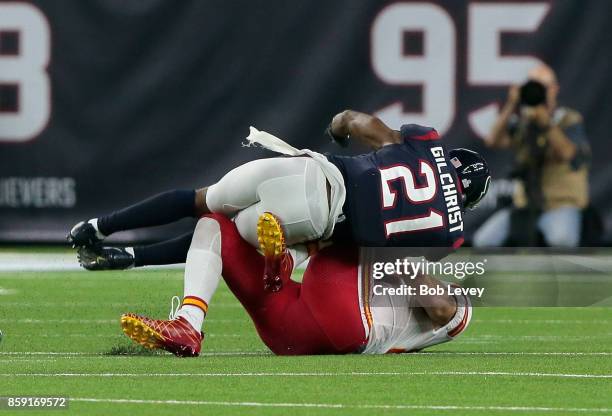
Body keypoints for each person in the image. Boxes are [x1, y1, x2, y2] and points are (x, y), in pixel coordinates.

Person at [69, 110, 491, 272]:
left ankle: (96, 226)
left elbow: (357, 120)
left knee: (203, 198)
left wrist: (337, 128)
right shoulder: (447, 237)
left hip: (310, 172)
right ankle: (132, 258)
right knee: (224, 234)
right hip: (321, 221)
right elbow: (379, 272)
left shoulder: (425, 141)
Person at [119, 212, 472, 357]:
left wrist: (396, 253)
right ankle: (189, 323)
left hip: (351, 325)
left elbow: (443, 310)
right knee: (214, 226)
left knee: (360, 231)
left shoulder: (454, 297)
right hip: (291, 331)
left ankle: (284, 259)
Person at [474, 64, 590, 248]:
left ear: (554, 89)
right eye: (533, 86)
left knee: (563, 240)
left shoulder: (568, 119)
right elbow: (493, 141)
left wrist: (545, 122)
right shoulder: (523, 123)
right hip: (525, 206)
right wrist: (512, 104)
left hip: (560, 203)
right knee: (484, 241)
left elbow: (568, 153)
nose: (540, 92)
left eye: (543, 87)